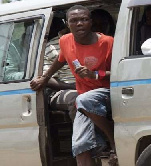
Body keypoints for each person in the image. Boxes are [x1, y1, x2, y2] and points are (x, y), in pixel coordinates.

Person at [30, 5, 116, 166]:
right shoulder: (65, 40)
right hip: (83, 97)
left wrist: (95, 75)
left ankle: (113, 142)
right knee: (79, 146)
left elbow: (121, 73)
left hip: (105, 92)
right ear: (67, 24)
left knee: (83, 99)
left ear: (91, 22)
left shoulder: (107, 42)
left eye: (84, 19)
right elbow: (60, 60)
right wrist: (44, 77)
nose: (79, 24)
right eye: (74, 20)